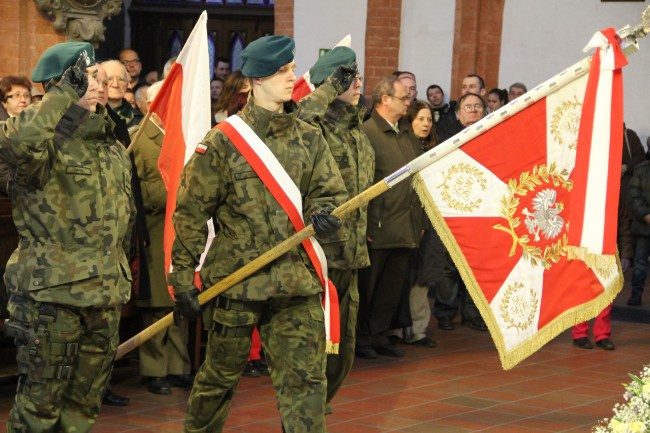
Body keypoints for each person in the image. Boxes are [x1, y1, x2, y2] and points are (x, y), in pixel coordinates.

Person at [168, 35, 348, 433]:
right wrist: (182, 278)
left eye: (291, 68)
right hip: (237, 282)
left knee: (305, 382)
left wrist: (324, 215)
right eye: (282, 71)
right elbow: (192, 214)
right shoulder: (222, 142)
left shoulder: (309, 137)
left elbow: (328, 193)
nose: (292, 77)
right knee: (218, 379)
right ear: (256, 79)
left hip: (295, 282)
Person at [0, 41, 135, 433]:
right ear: (60, 85)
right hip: (52, 297)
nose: (98, 84)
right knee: (39, 411)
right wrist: (61, 95)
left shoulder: (111, 145)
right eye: (87, 77)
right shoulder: (41, 147)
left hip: (105, 293)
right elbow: (15, 143)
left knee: (82, 410)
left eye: (98, 76)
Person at [298, 46, 373, 404]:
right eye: (347, 77)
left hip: (351, 258)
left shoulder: (358, 133)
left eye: (357, 76)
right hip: (319, 259)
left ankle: (320, 413)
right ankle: (307, 420)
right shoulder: (315, 128)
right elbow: (297, 122)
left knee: (343, 353)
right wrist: (326, 89)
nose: (357, 83)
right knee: (312, 351)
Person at [131, 81, 193, 394]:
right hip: (154, 232)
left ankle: (178, 366)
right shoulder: (139, 139)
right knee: (156, 306)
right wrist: (173, 189)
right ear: (150, 105)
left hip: (180, 231)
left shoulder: (181, 134)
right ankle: (154, 369)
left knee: (178, 300)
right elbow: (138, 191)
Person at [356, 76, 423, 360]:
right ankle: (362, 338)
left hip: (404, 224)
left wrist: (418, 223)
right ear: (385, 100)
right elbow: (363, 183)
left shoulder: (405, 134)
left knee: (391, 287)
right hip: (379, 226)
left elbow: (415, 177)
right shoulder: (367, 132)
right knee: (369, 287)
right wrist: (368, 223)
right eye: (402, 98)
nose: (408, 102)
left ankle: (380, 334)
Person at [434, 93, 489, 332]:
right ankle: (445, 312)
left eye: (478, 106)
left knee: (476, 264)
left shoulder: (491, 136)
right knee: (449, 265)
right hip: (453, 208)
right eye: (468, 106)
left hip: (483, 211)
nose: (473, 110)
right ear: (458, 113)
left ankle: (473, 313)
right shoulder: (446, 137)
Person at [402, 100, 439, 348]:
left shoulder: (435, 151)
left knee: (422, 279)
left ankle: (418, 330)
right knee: (402, 277)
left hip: (430, 224)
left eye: (429, 120)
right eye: (421, 119)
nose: (426, 124)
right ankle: (399, 329)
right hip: (406, 221)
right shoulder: (403, 148)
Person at [101, 59, 142, 126]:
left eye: (120, 79)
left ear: (127, 83)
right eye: (109, 79)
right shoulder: (86, 116)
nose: (115, 84)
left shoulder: (140, 121)